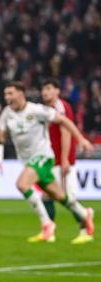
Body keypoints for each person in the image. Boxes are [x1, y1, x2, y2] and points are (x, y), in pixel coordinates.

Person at [0, 81, 95, 242]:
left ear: (21, 94)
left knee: (22, 184)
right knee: (56, 195)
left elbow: (64, 122)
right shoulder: (6, 113)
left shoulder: (36, 110)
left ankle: (47, 224)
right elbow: (0, 136)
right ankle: (84, 214)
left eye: (10, 93)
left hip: (43, 157)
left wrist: (81, 140)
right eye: (6, 94)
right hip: (27, 160)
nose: (7, 97)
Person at [40, 80, 91, 244]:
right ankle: (50, 231)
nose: (45, 92)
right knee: (47, 195)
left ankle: (85, 229)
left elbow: (66, 134)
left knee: (68, 196)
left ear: (57, 91)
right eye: (43, 89)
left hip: (62, 160)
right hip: (51, 160)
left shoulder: (61, 107)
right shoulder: (46, 109)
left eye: (49, 88)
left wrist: (64, 161)